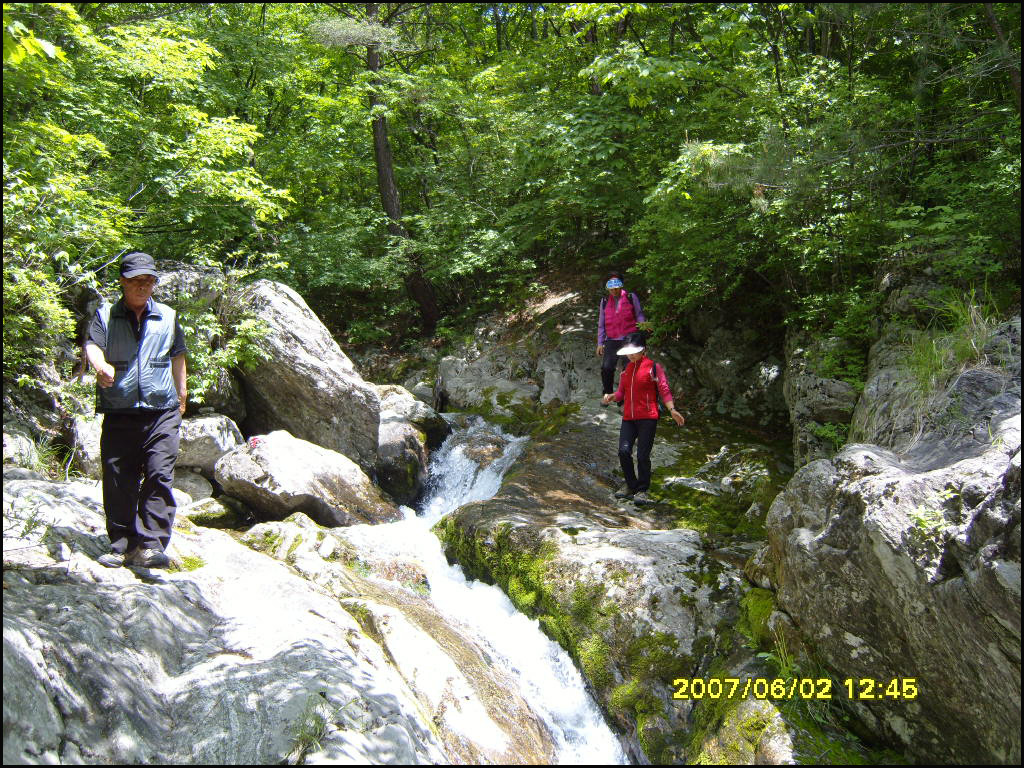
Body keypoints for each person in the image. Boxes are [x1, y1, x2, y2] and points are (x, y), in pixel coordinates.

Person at [84, 252, 188, 568]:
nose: (143, 286)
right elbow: (91, 345)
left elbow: (178, 355)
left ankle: (152, 546)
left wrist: (182, 394)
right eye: (136, 280)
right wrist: (100, 366)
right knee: (119, 479)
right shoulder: (105, 316)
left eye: (149, 280)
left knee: (159, 474)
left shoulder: (168, 316)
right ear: (122, 281)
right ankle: (122, 545)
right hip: (120, 410)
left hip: (162, 410)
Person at [601, 332, 684, 504]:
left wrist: (672, 410)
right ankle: (631, 485)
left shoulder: (653, 367)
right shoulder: (626, 370)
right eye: (628, 352)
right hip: (629, 418)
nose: (631, 355)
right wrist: (611, 397)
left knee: (642, 456)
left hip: (648, 417)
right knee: (623, 451)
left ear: (643, 350)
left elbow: (664, 390)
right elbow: (621, 393)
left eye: (634, 351)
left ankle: (642, 489)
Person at [596, 272, 646, 399]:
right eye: (611, 286)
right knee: (606, 368)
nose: (614, 289)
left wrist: (642, 325)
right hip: (612, 339)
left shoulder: (630, 297)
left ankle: (624, 395)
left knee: (627, 368)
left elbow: (639, 313)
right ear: (607, 287)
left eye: (616, 285)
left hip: (629, 337)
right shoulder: (604, 301)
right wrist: (600, 343)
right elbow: (601, 323)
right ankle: (607, 393)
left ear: (621, 285)